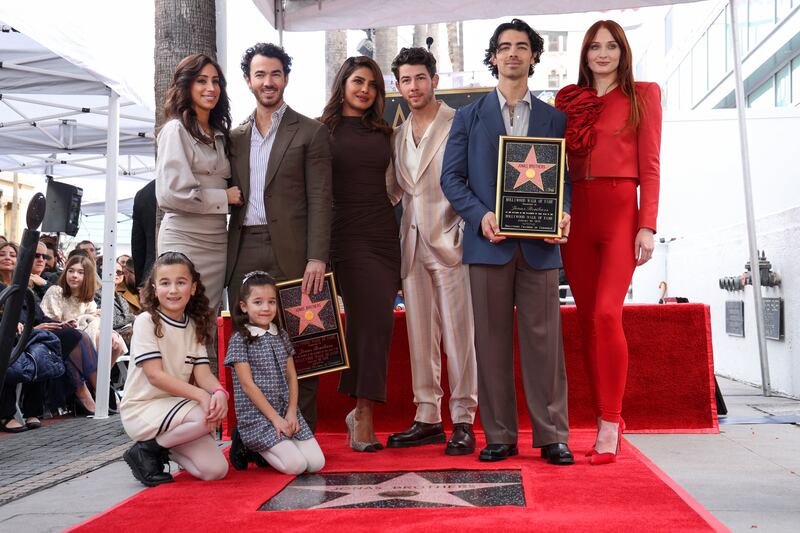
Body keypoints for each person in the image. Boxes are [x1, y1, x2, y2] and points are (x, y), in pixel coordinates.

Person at [441, 18, 574, 465]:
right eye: (505, 47)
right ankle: (498, 434)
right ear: (493, 56)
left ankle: (552, 434)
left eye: (522, 46)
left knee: (545, 343)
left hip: (541, 247)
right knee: (491, 344)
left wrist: (564, 212)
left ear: (534, 56)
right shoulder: (468, 116)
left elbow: (565, 180)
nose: (513, 53)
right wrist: (481, 217)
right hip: (488, 245)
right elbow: (451, 178)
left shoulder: (554, 117)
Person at [555, 20, 661, 465]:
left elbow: (652, 164)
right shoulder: (569, 102)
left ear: (623, 51)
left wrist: (647, 224)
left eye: (611, 46)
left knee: (605, 313)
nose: (602, 53)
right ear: (584, 53)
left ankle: (610, 423)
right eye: (595, 46)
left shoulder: (644, 95)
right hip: (577, 215)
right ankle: (603, 418)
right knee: (586, 321)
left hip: (621, 213)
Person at [226, 43, 332, 431]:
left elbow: (321, 199)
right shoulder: (233, 137)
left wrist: (317, 256)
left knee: (303, 347)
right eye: (260, 75)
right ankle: (252, 435)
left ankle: (301, 430)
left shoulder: (311, 132)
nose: (268, 82)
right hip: (243, 248)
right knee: (247, 346)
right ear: (248, 81)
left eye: (275, 74)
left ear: (285, 78)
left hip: (297, 252)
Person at [384, 47, 478, 455]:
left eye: (420, 77)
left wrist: (467, 227)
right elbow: (391, 191)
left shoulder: (460, 123)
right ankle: (426, 417)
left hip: (451, 240)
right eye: (405, 80)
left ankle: (463, 419)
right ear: (398, 86)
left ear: (434, 80)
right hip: (411, 243)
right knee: (420, 335)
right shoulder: (397, 135)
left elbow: (476, 181)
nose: (413, 86)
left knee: (459, 336)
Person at [320, 56, 400, 452]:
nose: (365, 89)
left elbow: (400, 182)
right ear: (343, 84)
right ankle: (363, 412)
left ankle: (359, 408)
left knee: (378, 323)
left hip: (385, 234)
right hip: (345, 235)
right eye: (357, 81)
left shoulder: (385, 131)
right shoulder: (322, 131)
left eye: (372, 84)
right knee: (366, 322)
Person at [120, 251, 229, 487]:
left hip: (176, 412)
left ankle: (164, 447)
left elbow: (202, 373)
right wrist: (202, 395)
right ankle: (147, 450)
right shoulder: (146, 321)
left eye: (181, 282)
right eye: (165, 283)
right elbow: (155, 376)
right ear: (154, 287)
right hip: (143, 408)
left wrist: (220, 392)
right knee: (204, 413)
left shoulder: (193, 324)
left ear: (193, 287)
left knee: (215, 471)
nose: (173, 290)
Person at [156, 53, 242, 318]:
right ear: (187, 85)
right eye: (201, 81)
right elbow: (171, 195)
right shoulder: (175, 130)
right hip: (184, 239)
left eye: (216, 81)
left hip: (217, 242)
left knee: (205, 324)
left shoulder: (220, 134)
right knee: (177, 320)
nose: (211, 88)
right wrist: (224, 197)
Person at [225, 271, 325, 474]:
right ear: (244, 306)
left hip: (285, 412)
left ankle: (275, 448)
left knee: (316, 464)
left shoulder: (281, 335)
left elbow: (291, 377)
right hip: (259, 417)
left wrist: (291, 412)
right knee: (296, 466)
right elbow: (247, 384)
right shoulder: (240, 339)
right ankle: (248, 443)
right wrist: (275, 419)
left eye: (271, 302)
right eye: (258, 302)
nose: (266, 308)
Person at [0, 244, 100, 419]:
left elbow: (38, 315)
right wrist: (33, 328)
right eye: (2, 254)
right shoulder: (11, 289)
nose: (8, 258)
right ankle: (92, 392)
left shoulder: (23, 288)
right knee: (47, 346)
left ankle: (35, 412)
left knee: (72, 335)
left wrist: (60, 324)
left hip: (37, 333)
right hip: (14, 337)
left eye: (12, 255)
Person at [40, 255, 127, 364]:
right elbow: (50, 322)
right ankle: (95, 380)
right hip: (59, 338)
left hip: (80, 338)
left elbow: (95, 320)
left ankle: (101, 378)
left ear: (88, 277)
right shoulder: (56, 291)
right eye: (71, 271)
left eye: (80, 272)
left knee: (116, 342)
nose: (74, 275)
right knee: (99, 339)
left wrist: (111, 333)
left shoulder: (88, 299)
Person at [132, 179, 157, 288]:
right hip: (188, 275)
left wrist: (141, 284)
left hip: (150, 276)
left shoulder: (143, 194)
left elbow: (138, 246)